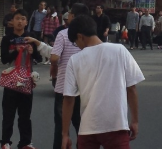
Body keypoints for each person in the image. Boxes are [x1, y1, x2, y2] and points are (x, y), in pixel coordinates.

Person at [61, 15, 144, 149]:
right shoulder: (120, 50)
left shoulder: (74, 60)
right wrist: (134, 121)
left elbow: (69, 99)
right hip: (116, 125)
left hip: (88, 127)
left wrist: (65, 134)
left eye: (76, 42)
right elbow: (131, 88)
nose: (78, 47)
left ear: (80, 36)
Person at [0, 9, 43, 149]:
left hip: (26, 81)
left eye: (22, 19)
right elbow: (4, 59)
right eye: (17, 18)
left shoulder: (31, 37)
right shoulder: (7, 39)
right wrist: (16, 52)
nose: (19, 21)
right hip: (11, 81)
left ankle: (25, 142)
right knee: (8, 114)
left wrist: (33, 52)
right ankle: (5, 142)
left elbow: (39, 58)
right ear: (12, 22)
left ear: (26, 22)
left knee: (25, 115)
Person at [51, 3, 89, 149]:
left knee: (61, 128)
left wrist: (56, 63)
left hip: (63, 88)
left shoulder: (63, 34)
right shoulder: (89, 35)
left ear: (72, 16)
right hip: (84, 88)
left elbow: (54, 58)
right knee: (82, 128)